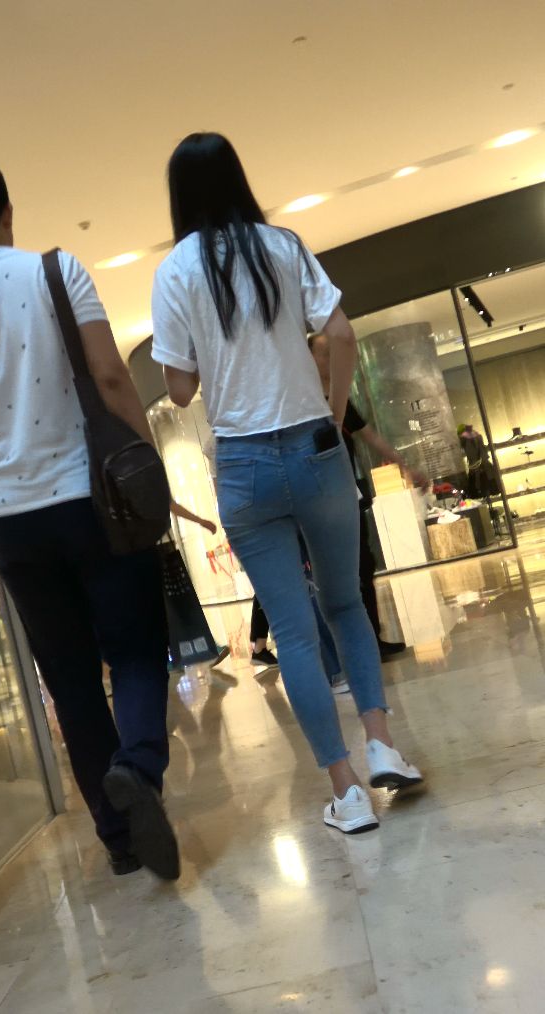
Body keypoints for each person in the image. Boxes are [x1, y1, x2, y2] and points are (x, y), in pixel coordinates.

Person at [152, 133, 422, 835]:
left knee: (296, 636)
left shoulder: (176, 270)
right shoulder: (283, 246)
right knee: (347, 605)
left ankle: (346, 792)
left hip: (243, 468)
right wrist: (331, 415)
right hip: (314, 447)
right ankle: (382, 744)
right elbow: (340, 335)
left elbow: (178, 390)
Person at [0, 156, 179, 879]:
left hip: (8, 521)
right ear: (8, 211)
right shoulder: (56, 272)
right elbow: (112, 376)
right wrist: (150, 467)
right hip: (93, 498)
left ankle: (120, 840)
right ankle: (139, 766)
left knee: (68, 677)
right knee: (135, 648)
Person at [308, 332, 429, 690]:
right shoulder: (304, 402)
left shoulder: (340, 400)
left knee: (364, 565)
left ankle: (372, 639)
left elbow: (370, 436)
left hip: (348, 493)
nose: (331, 359)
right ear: (309, 358)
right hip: (317, 500)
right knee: (333, 576)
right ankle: (342, 652)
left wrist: (406, 467)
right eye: (324, 353)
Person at [203, 434, 278, 669]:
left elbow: (219, 490)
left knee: (267, 582)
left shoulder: (214, 443)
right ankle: (261, 645)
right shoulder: (226, 439)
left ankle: (260, 645)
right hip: (257, 518)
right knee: (271, 581)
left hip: (241, 520)